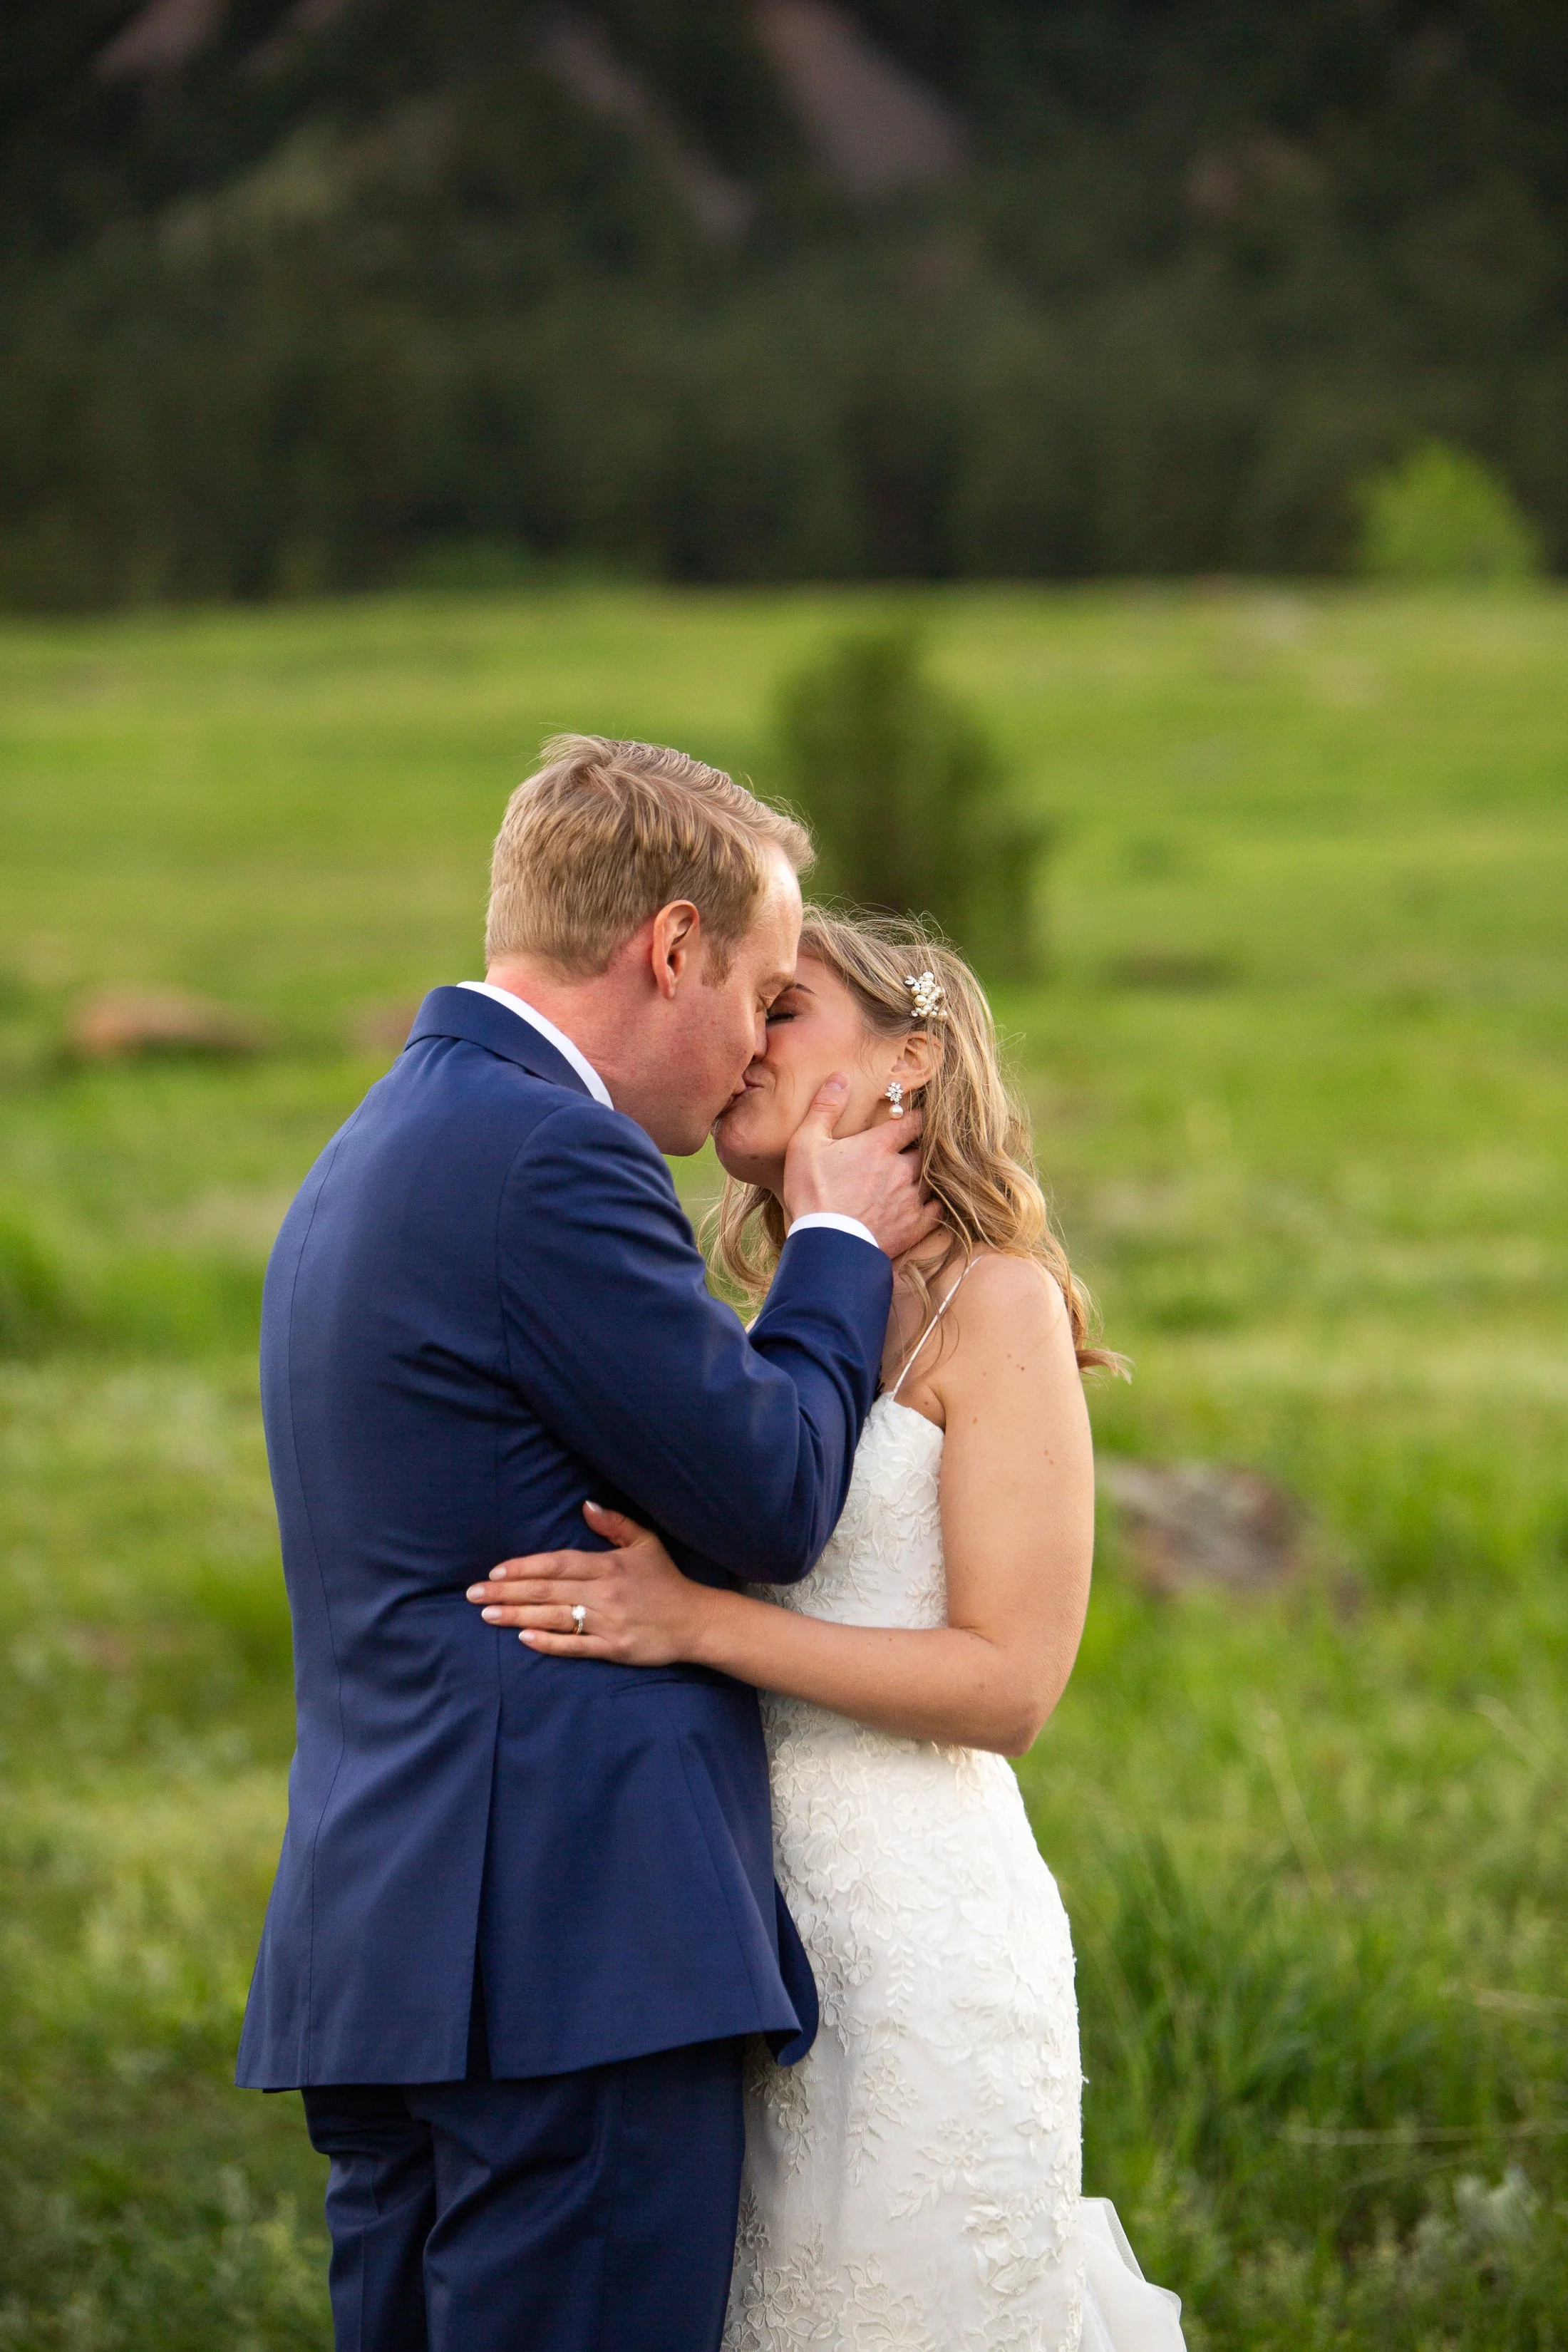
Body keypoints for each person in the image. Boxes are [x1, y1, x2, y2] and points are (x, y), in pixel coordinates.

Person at [236, 740, 938, 2352]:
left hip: (392, 1948)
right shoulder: (552, 1156)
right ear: (672, 948)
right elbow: (766, 1494)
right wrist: (833, 1244)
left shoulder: (367, 1150)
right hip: (569, 1961)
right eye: (762, 994)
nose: (764, 1041)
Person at [470, 910, 1187, 2352]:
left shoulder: (995, 1307)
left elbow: (1008, 1683)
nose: (741, 1036)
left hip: (912, 1936)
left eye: (781, 1007)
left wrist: (695, 1625)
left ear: (908, 1060)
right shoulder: (750, 1321)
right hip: (728, 1931)